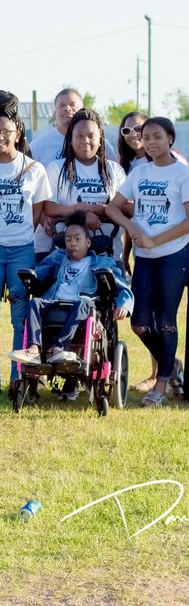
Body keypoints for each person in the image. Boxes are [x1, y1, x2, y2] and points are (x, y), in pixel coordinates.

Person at [0, 91, 51, 397]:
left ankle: (18, 378)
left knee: (20, 318)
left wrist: (18, 236)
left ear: (18, 134)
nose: (0, 137)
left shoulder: (34, 169)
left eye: (6, 132)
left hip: (21, 251)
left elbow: (36, 211)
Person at [106, 117, 189, 407]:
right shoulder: (140, 174)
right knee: (140, 323)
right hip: (144, 257)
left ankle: (161, 384)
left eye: (157, 136)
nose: (151, 142)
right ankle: (173, 365)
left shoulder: (182, 173)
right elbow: (113, 208)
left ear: (170, 138)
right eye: (147, 137)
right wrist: (134, 229)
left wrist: (157, 239)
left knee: (166, 321)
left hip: (173, 255)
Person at [10, 211, 132, 366]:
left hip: (80, 304)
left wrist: (124, 304)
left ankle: (58, 348)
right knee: (35, 302)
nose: (72, 243)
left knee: (86, 302)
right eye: (68, 239)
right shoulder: (58, 257)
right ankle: (34, 348)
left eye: (77, 239)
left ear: (88, 243)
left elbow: (121, 284)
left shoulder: (102, 262)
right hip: (55, 301)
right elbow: (38, 273)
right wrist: (16, 291)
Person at [35, 109, 126, 265]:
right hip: (64, 252)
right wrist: (82, 210)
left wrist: (100, 209)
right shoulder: (56, 168)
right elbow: (49, 208)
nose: (85, 140)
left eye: (91, 136)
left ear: (100, 138)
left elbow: (127, 208)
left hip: (108, 253)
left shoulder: (114, 170)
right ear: (70, 138)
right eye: (80, 135)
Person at [29, 88, 118, 167]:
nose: (67, 108)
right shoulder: (37, 146)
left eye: (72, 104)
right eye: (62, 105)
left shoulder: (101, 144)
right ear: (54, 112)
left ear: (82, 109)